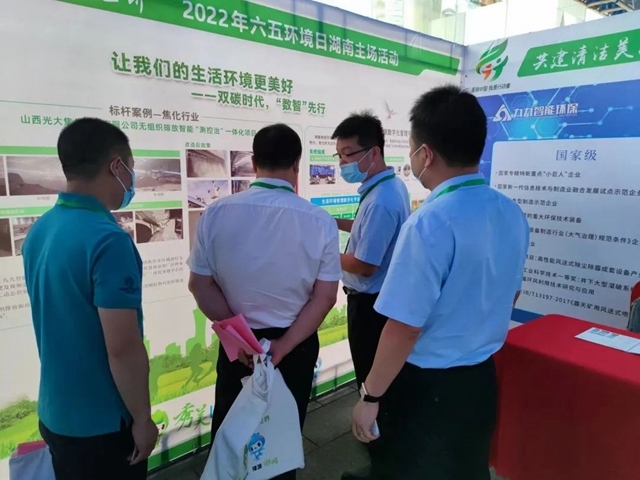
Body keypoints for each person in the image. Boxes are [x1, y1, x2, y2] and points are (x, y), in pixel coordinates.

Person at [350, 85, 530, 480]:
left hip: (428, 388)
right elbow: (512, 292)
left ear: (425, 154)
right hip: (480, 379)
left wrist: (371, 394)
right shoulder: (511, 212)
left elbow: (405, 326)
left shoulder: (430, 222)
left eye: (411, 148)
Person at [187, 123, 341, 480]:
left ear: (254, 163)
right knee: (279, 443)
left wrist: (241, 338)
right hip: (295, 346)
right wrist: (284, 345)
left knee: (232, 437)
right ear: (297, 164)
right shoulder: (320, 222)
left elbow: (200, 285)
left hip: (239, 347)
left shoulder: (216, 213)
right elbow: (325, 297)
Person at [22, 118, 157, 480]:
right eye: (130, 168)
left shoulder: (41, 229)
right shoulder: (108, 240)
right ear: (117, 166)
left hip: (56, 413)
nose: (132, 180)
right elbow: (122, 349)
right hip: (102, 426)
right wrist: (143, 420)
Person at [331, 112, 410, 480]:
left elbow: (364, 264)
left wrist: (319, 250)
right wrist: (331, 223)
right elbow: (368, 232)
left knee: (372, 387)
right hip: (376, 303)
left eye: (348, 154)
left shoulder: (380, 200)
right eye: (339, 155)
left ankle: (381, 462)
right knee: (379, 385)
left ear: (373, 152)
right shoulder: (386, 188)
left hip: (370, 307)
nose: (342, 163)